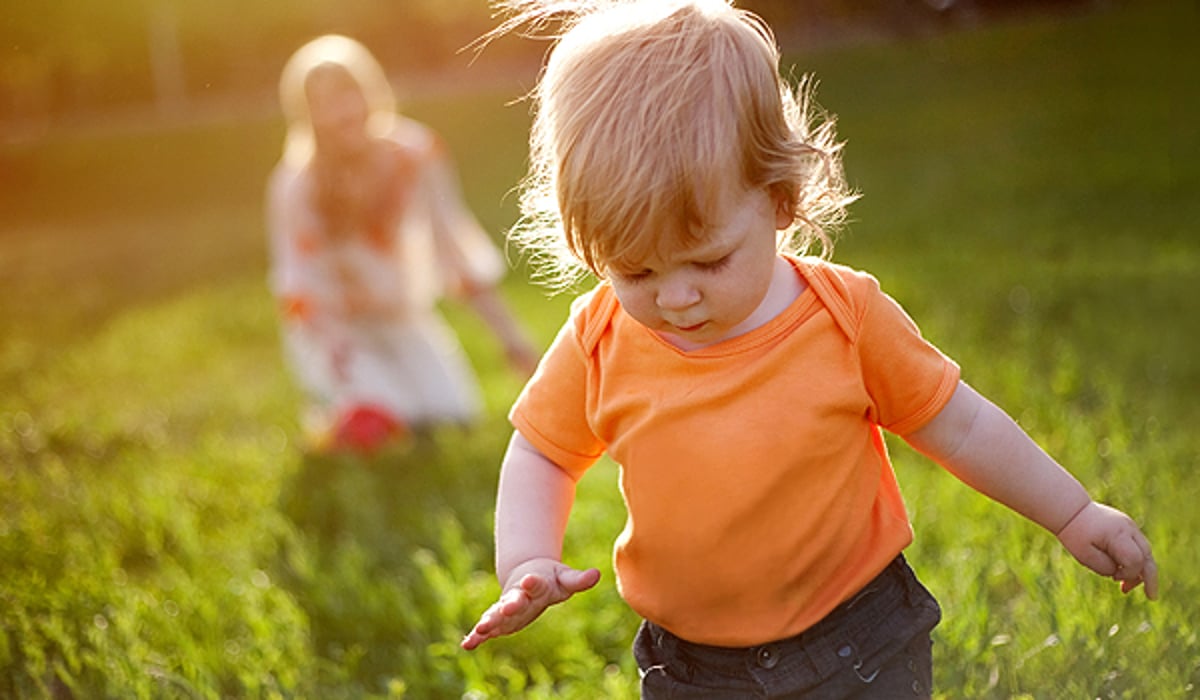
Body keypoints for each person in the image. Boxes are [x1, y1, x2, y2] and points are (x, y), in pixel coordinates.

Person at [460, 0, 1158, 696]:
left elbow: (960, 423)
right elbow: (543, 451)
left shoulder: (843, 317)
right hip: (694, 669)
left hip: (859, 640)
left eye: (707, 262)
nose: (674, 299)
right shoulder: (600, 333)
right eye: (635, 270)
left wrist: (1071, 512)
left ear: (780, 200)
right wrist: (527, 557)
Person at [266, 35, 539, 453]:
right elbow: (297, 282)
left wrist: (509, 336)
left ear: (372, 90)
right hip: (335, 332)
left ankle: (357, 407)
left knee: (451, 416)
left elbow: (455, 251)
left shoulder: (418, 154)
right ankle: (331, 412)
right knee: (391, 424)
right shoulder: (295, 185)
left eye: (349, 93)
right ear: (305, 114)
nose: (342, 111)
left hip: (403, 319)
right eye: (323, 102)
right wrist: (332, 341)